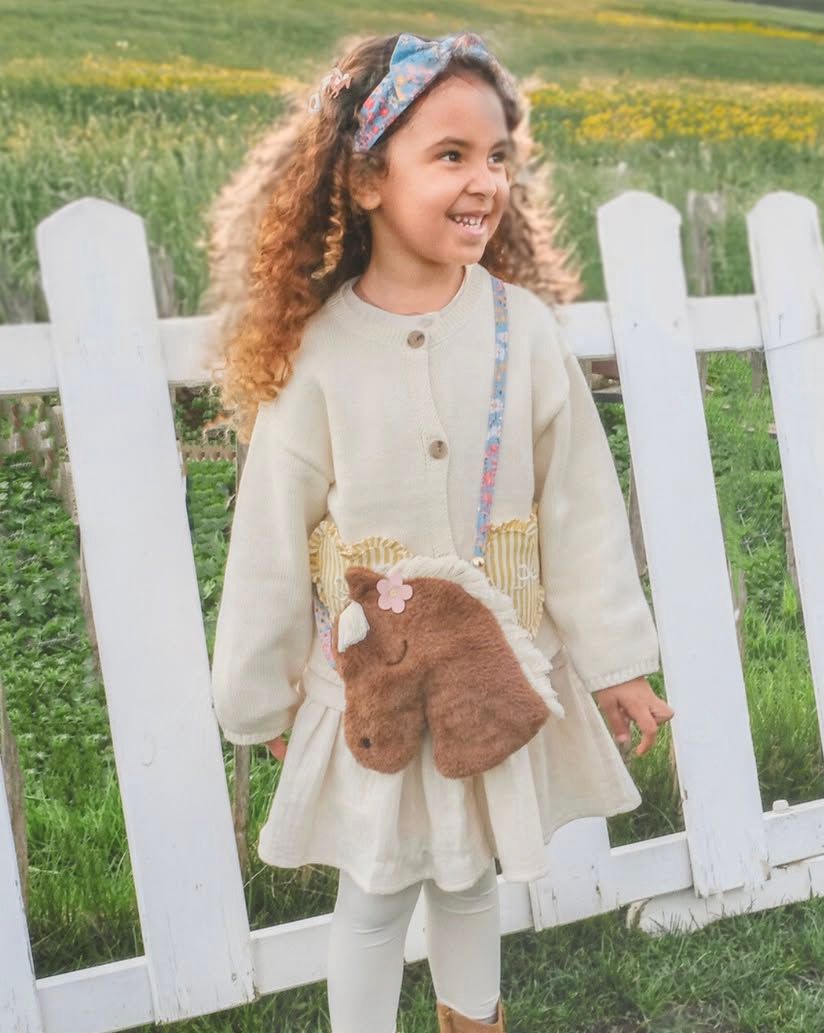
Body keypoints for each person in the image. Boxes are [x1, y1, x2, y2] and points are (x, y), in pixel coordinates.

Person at [208, 30, 674, 1033]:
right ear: (368, 179)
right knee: (376, 894)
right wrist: (262, 688)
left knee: (470, 883)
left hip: (491, 674)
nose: (485, 180)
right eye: (451, 155)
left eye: (498, 155)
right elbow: (271, 537)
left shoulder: (526, 330)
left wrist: (617, 660)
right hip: (372, 685)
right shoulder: (319, 353)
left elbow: (581, 506)